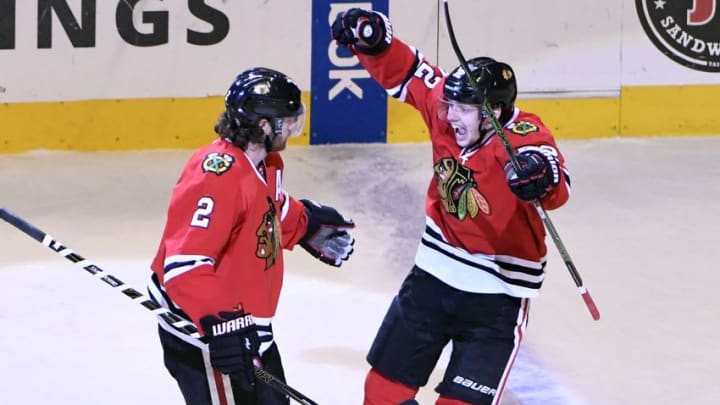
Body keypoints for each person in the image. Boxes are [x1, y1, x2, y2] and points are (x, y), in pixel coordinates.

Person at [332, 9, 571, 405]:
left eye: (462, 109)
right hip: (432, 278)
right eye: (449, 106)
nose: (449, 116)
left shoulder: (523, 136)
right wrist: (371, 40)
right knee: (381, 393)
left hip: (497, 296)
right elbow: (410, 72)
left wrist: (541, 177)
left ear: (493, 113)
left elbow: (555, 180)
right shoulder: (447, 107)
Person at [147, 67, 356, 405]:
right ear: (263, 125)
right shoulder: (218, 177)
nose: (292, 128)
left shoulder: (265, 163)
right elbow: (185, 267)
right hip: (207, 333)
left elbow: (268, 208)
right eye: (288, 121)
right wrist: (223, 325)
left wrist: (305, 225)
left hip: (249, 328)